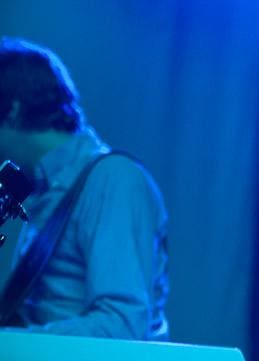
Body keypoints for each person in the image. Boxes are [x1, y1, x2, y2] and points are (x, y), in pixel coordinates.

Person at [0, 37, 168, 339]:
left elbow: (122, 325)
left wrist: (14, 343)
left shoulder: (112, 179)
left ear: (12, 110)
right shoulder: (45, 188)